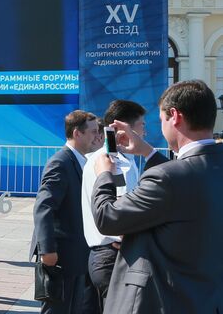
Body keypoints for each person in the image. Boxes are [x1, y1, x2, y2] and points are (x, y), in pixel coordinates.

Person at [92, 80, 223, 313]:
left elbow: (107, 217)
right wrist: (148, 151)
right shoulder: (205, 168)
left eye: (162, 120)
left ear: (175, 116)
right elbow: (187, 179)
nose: (160, 127)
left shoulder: (167, 178)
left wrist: (104, 175)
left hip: (163, 301)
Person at [80, 100, 167, 312]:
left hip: (103, 253)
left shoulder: (106, 160)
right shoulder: (114, 163)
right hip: (111, 254)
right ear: (122, 128)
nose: (144, 132)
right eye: (141, 126)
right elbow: (120, 210)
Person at [30, 110, 100, 314]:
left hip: (77, 254)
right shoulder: (60, 162)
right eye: (93, 131)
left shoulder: (81, 161)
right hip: (61, 256)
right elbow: (43, 207)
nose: (97, 136)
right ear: (77, 133)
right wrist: (47, 250)